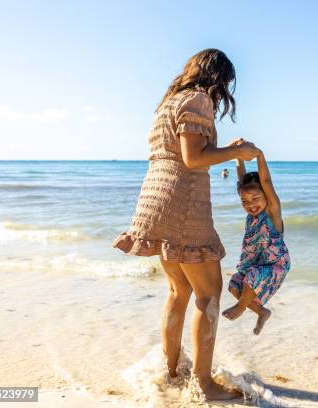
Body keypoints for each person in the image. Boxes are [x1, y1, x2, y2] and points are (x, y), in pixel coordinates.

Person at [112, 49, 259, 400]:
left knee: (179, 292)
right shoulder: (199, 99)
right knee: (208, 294)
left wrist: (225, 148)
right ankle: (203, 385)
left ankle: (172, 372)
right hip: (184, 202)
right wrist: (237, 153)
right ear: (218, 77)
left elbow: (183, 151)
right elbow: (193, 159)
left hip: (156, 198)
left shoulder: (168, 102)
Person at [222, 147, 290, 335]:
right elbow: (241, 179)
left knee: (251, 276)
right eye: (244, 201)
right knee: (234, 285)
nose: (250, 204)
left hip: (274, 265)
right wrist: (238, 154)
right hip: (255, 264)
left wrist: (259, 155)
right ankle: (262, 312)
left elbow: (266, 181)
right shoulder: (251, 212)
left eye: (255, 198)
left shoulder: (272, 212)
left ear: (266, 196)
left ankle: (241, 308)